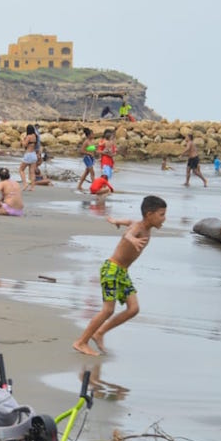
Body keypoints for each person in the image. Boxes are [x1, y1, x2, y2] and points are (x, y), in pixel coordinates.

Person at [72, 195, 167, 356]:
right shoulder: (138, 229)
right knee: (108, 310)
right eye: (161, 214)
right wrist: (132, 240)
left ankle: (100, 332)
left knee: (133, 309)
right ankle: (81, 342)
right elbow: (128, 234)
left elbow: (129, 221)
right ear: (149, 215)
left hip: (122, 273)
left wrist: (116, 221)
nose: (164, 219)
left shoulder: (142, 226)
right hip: (111, 270)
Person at [77, 127, 97, 192]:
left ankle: (79, 185)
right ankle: (94, 187)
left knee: (86, 173)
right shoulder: (86, 142)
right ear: (89, 135)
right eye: (92, 134)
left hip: (91, 158)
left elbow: (93, 150)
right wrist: (88, 153)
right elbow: (81, 151)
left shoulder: (92, 142)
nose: (93, 135)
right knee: (92, 173)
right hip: (87, 158)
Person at [19, 124, 38, 190]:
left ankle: (25, 184)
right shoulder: (35, 136)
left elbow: (24, 145)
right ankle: (32, 187)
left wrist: (22, 140)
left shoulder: (28, 137)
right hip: (34, 154)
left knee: (21, 170)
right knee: (32, 172)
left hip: (28, 154)